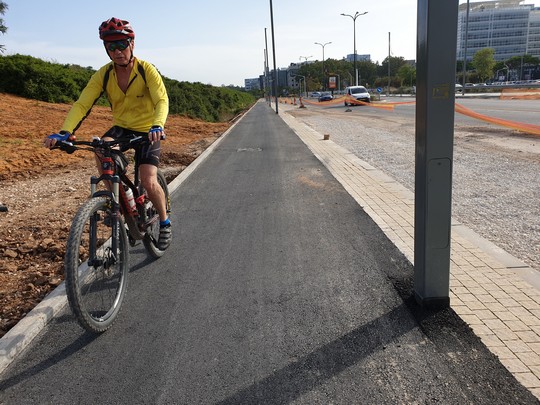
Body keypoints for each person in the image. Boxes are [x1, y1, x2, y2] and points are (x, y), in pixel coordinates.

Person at [44, 17, 171, 250]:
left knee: (148, 180)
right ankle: (118, 203)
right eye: (111, 46)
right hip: (122, 128)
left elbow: (162, 100)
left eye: (121, 44)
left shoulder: (146, 70)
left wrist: (157, 125)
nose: (117, 51)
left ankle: (164, 221)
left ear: (132, 44)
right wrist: (65, 132)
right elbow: (82, 103)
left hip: (147, 130)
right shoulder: (104, 74)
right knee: (102, 148)